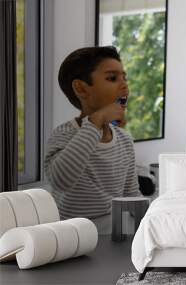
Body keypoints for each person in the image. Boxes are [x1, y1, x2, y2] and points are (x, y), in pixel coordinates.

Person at [44, 46, 141, 234]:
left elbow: (131, 195)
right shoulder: (63, 135)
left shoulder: (124, 140)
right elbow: (61, 180)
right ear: (81, 88)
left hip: (116, 234)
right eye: (112, 78)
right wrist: (96, 120)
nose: (124, 85)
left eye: (124, 78)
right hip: (71, 236)